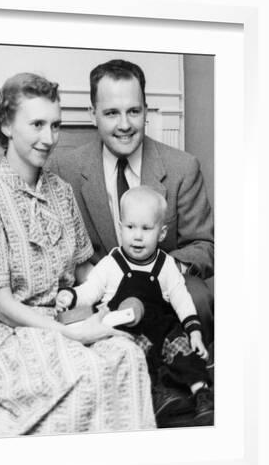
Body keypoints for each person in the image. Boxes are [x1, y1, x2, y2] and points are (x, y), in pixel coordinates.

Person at [0, 72, 156, 439]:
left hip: (66, 312)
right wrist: (73, 334)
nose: (49, 138)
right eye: (36, 124)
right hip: (12, 328)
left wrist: (110, 304)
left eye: (55, 125)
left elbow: (84, 269)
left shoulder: (61, 192)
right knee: (83, 370)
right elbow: (2, 306)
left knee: (127, 355)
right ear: (5, 125)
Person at [48, 59, 214, 348]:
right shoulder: (66, 169)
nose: (124, 125)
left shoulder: (183, 167)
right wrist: (92, 279)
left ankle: (182, 382)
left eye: (134, 111)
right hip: (101, 287)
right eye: (111, 113)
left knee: (198, 296)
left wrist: (160, 270)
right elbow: (59, 248)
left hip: (163, 288)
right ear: (93, 114)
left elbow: (205, 246)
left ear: (146, 111)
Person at [56, 186, 214, 425]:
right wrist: (71, 296)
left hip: (163, 327)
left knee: (185, 352)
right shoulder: (112, 263)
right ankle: (156, 396)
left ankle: (201, 393)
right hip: (126, 331)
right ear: (121, 228)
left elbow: (182, 299)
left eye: (146, 229)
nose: (137, 236)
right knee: (135, 357)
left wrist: (194, 332)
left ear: (161, 233)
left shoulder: (166, 264)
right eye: (130, 227)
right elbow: (91, 290)